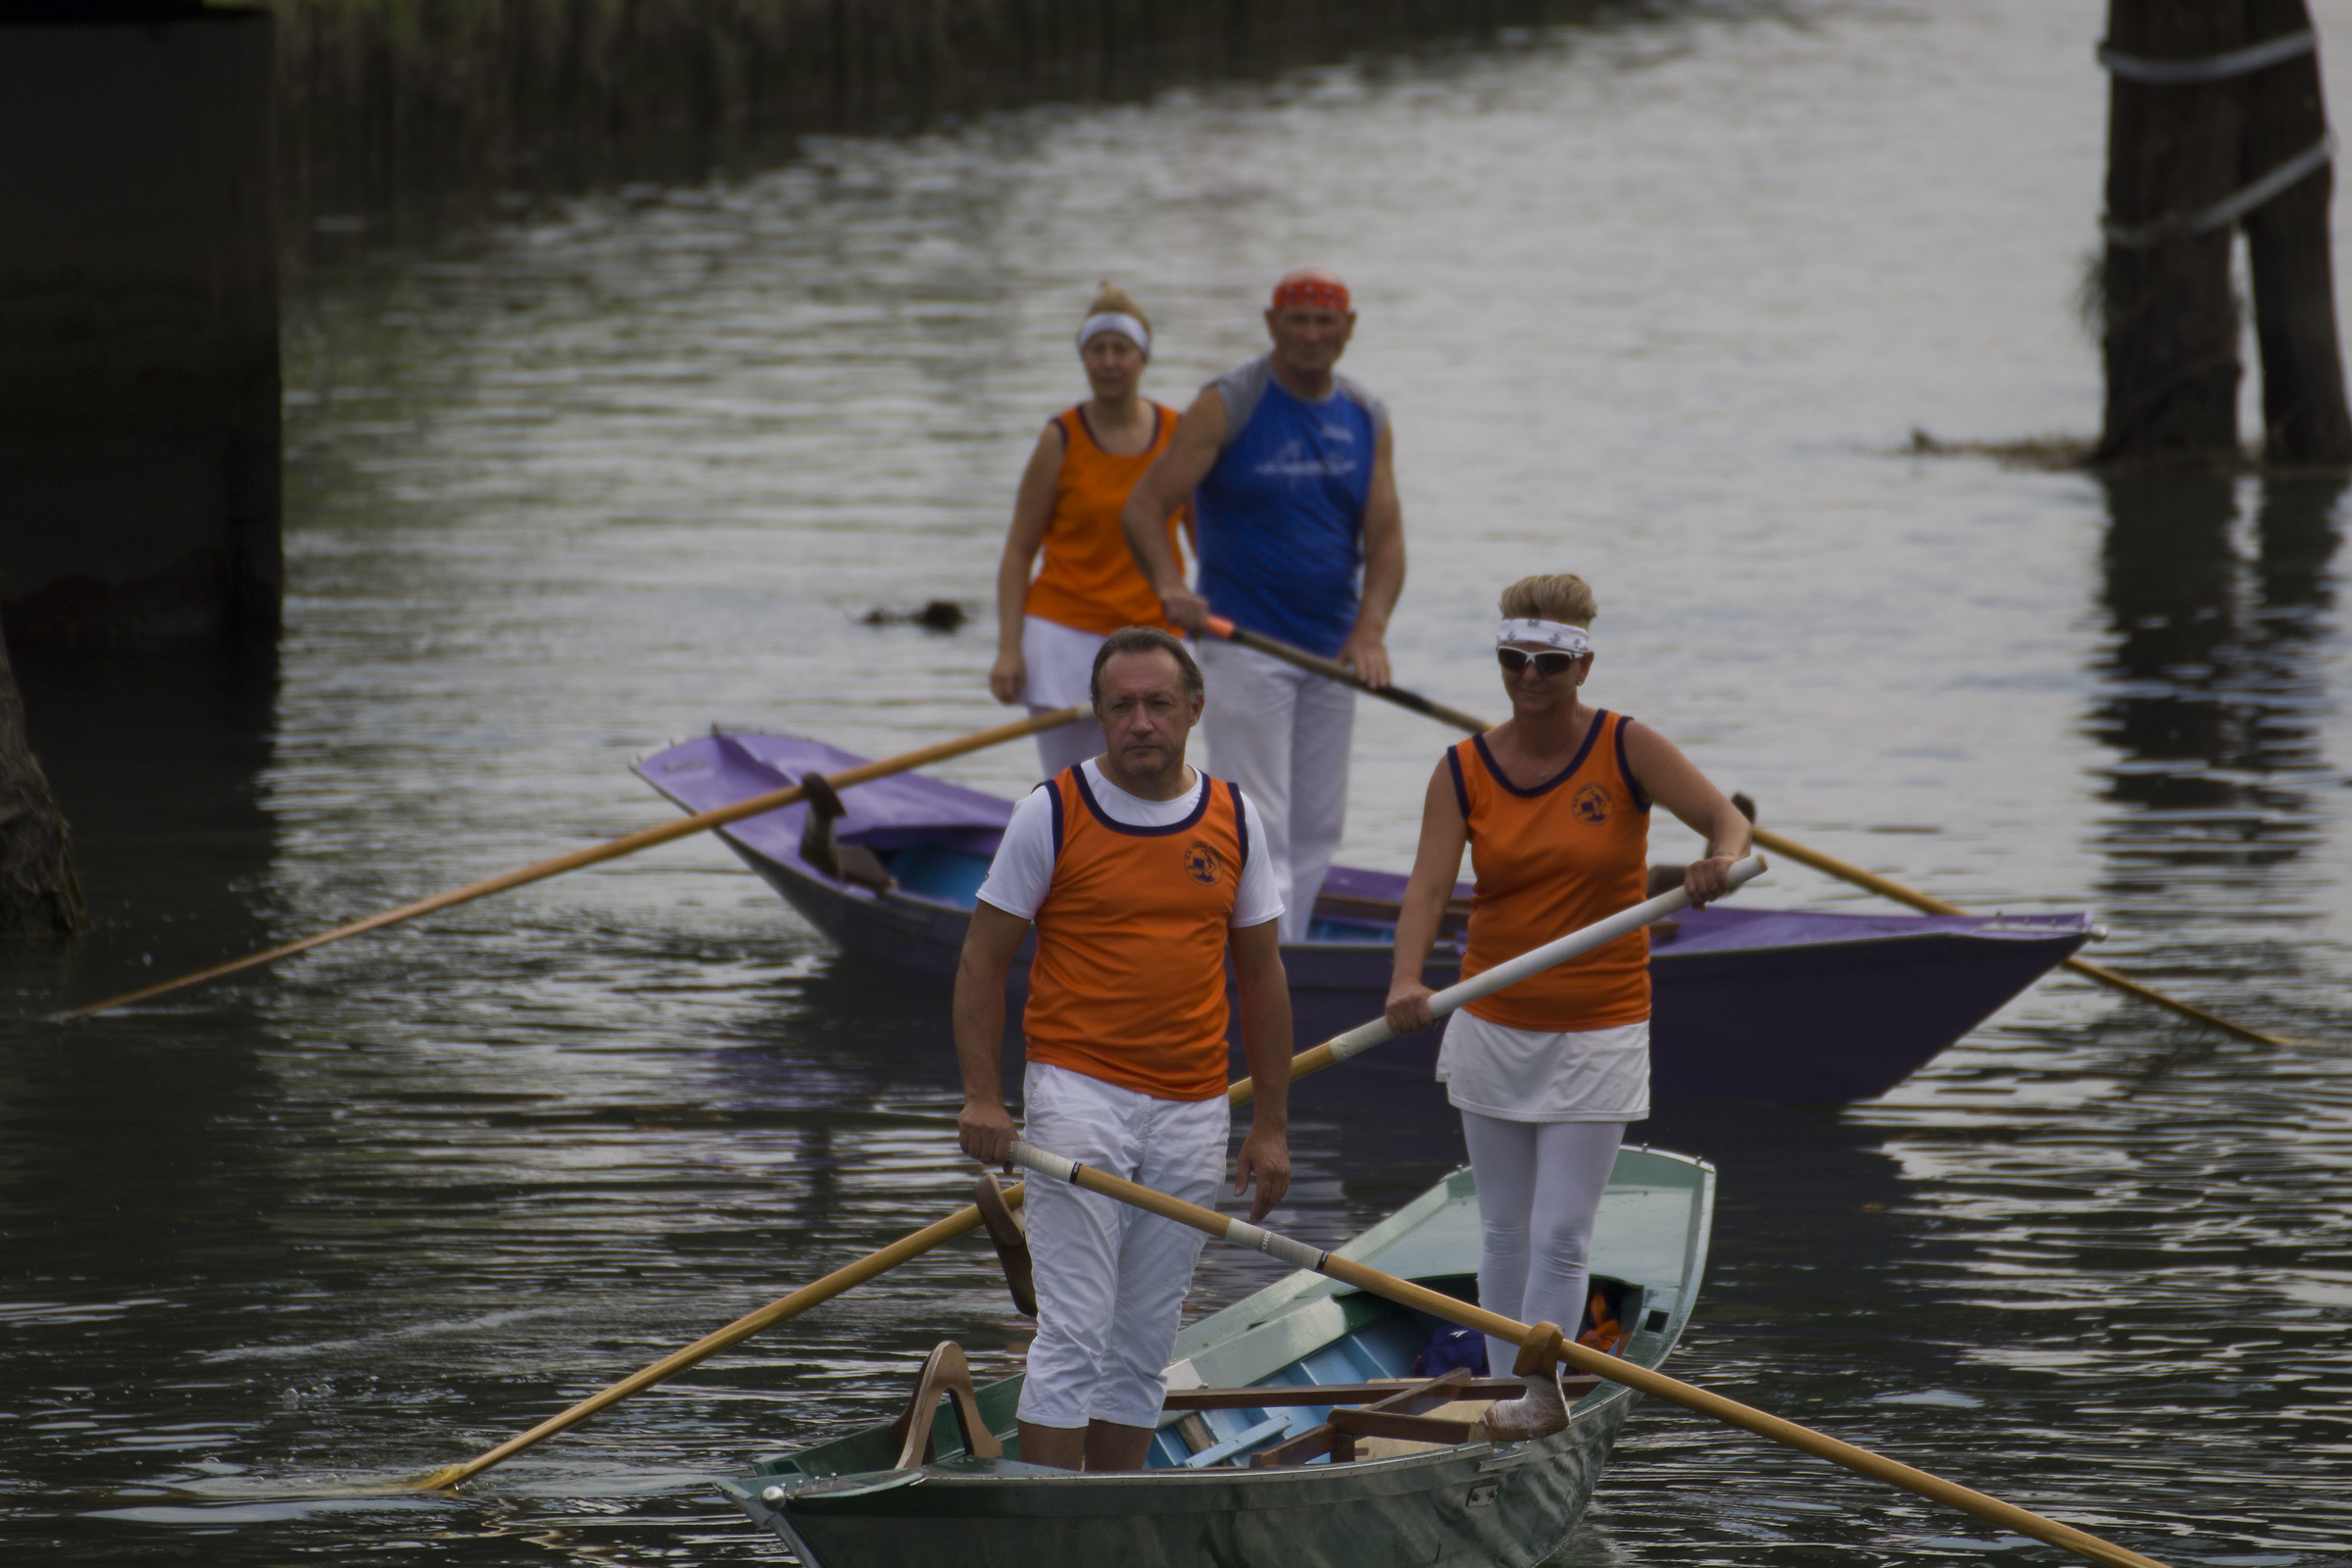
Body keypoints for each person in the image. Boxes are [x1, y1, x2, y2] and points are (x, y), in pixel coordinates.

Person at [1382, 574, 1749, 1441]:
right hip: (1492, 1022)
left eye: (1549, 661)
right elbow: (1429, 884)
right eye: (1514, 660)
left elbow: (1728, 825)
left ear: (1582, 663)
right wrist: (1406, 981)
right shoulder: (1463, 768)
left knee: (1559, 1233)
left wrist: (1714, 864)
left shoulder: (1627, 748)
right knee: (1503, 1229)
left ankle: (1537, 1399)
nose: (1530, 677)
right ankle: (1512, 1392)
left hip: (1600, 1026)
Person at [956, 625, 1293, 1471]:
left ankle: (1109, 1515)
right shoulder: (1053, 811)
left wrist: (1272, 1127)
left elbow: (1262, 978)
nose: (1142, 721)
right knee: (1074, 1331)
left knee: (1143, 1341)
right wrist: (984, 1099)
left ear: (1194, 711)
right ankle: (1048, 1529)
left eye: (1159, 704)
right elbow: (981, 960)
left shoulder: (1236, 816)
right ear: (1099, 715)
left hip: (1193, 1107)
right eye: (1123, 706)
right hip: (1078, 1098)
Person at [1119, 268, 1403, 941]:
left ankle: (1290, 953)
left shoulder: (1366, 416)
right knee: (1260, 818)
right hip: (1243, 643)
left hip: (1334, 651)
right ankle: (1259, 962)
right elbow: (1144, 507)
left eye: (1324, 322)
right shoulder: (1230, 402)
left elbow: (1387, 540)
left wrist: (1372, 630)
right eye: (1297, 322)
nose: (1310, 335)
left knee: (1317, 826)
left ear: (1348, 329)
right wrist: (1171, 586)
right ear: (1273, 325)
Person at [991, 285, 1192, 780]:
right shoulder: (1060, 438)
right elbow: (1018, 550)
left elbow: (1212, 540)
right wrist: (1009, 647)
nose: (1109, 362)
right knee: (1074, 788)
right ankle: (1061, 855)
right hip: (1064, 635)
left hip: (1154, 636)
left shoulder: (1178, 435)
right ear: (1083, 358)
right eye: (1096, 350)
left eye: (1120, 350)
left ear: (1142, 356)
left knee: (1150, 777)